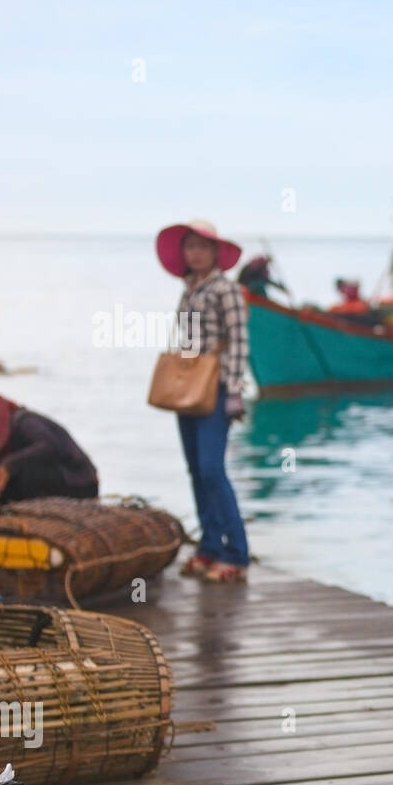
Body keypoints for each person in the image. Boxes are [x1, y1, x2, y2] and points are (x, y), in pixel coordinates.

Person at [155, 218, 251, 583]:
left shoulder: (226, 289)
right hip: (189, 387)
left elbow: (239, 340)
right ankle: (210, 545)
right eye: (189, 247)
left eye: (201, 247)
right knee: (196, 470)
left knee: (212, 469)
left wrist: (236, 391)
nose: (194, 253)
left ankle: (237, 553)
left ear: (215, 252)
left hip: (217, 388)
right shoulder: (190, 290)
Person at [0, 396, 98, 505]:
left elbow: (49, 446)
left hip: (78, 481)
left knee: (25, 472)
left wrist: (10, 464)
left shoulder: (24, 423)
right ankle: (0, 508)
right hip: (44, 483)